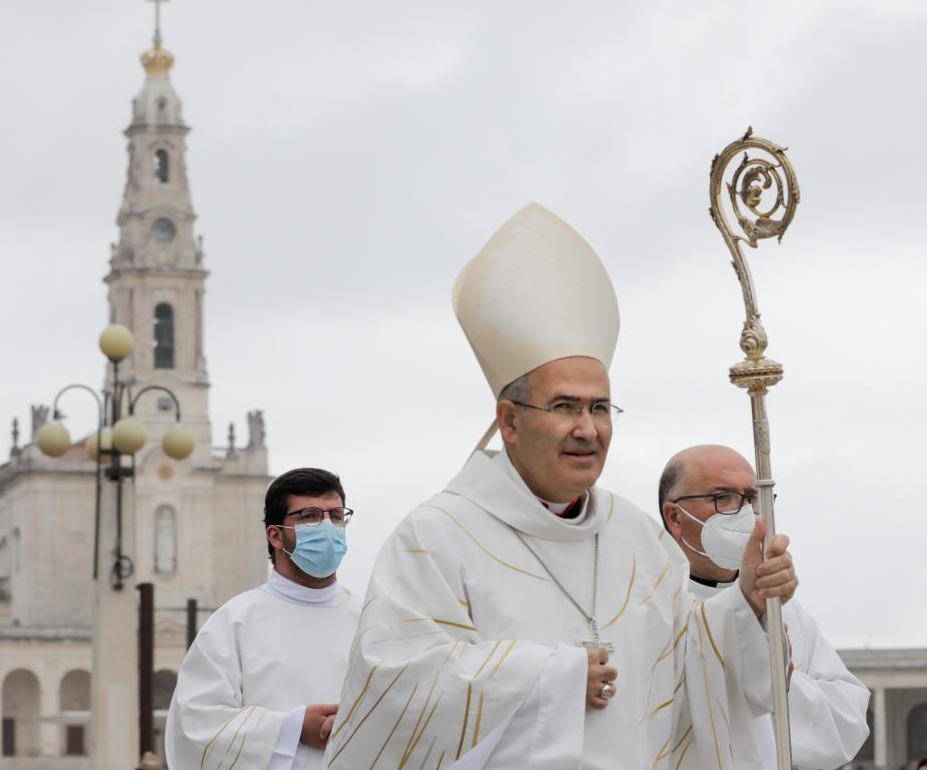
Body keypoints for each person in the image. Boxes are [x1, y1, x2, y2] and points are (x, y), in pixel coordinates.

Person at [325, 202, 798, 769]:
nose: (587, 429)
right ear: (510, 420)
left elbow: (699, 667)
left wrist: (747, 601)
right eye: (564, 406)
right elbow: (391, 690)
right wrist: (551, 679)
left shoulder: (639, 540)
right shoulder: (436, 537)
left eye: (600, 407)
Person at [659, 444, 871, 769]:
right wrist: (750, 674)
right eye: (723, 498)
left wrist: (775, 684)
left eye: (752, 498)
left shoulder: (784, 609)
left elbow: (848, 725)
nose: (746, 513)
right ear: (675, 517)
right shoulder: (646, 601)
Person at [165, 467, 363, 769]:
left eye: (335, 516)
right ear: (275, 535)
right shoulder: (234, 623)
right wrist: (292, 728)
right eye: (310, 516)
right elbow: (193, 726)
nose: (327, 527)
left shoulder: (369, 620)